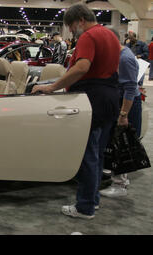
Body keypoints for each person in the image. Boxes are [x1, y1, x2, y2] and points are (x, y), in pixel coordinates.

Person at [32, 3, 120, 219]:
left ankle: (85, 207)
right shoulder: (110, 36)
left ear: (80, 20)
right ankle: (93, 200)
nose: (71, 31)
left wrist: (52, 87)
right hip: (110, 97)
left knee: (87, 154)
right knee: (97, 154)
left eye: (71, 26)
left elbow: (82, 67)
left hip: (93, 99)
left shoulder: (89, 36)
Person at [99, 27, 142, 198]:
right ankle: (118, 178)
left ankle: (120, 185)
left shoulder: (125, 58)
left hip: (128, 105)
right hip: (120, 102)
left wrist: (124, 114)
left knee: (122, 143)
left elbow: (130, 88)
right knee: (115, 141)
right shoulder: (117, 55)